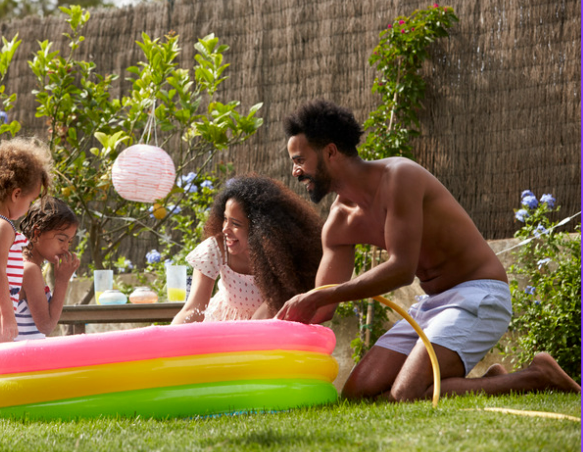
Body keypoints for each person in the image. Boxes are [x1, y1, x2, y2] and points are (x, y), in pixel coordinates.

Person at [275, 98, 581, 400]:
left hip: (478, 294)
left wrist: (321, 295)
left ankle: (537, 375)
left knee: (406, 393)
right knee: (358, 395)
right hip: (433, 306)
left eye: (299, 160)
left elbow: (401, 269)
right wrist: (274, 329)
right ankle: (494, 382)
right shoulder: (339, 224)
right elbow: (322, 307)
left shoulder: (398, 177)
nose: (295, 172)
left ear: (330, 152)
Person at [172, 174, 323, 324]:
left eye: (236, 224)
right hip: (223, 323)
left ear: (260, 229)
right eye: (225, 219)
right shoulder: (216, 248)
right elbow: (193, 309)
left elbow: (266, 315)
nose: (225, 229)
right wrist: (168, 338)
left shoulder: (281, 255)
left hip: (267, 327)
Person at [0, 138, 53, 344]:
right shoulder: (3, 226)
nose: (29, 208)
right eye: (30, 201)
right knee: (2, 362)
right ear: (16, 194)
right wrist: (7, 313)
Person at [15, 197, 80, 340]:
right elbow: (46, 326)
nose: (66, 247)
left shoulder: (27, 265)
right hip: (24, 358)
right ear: (37, 233)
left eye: (69, 242)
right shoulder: (30, 269)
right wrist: (62, 281)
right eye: (61, 240)